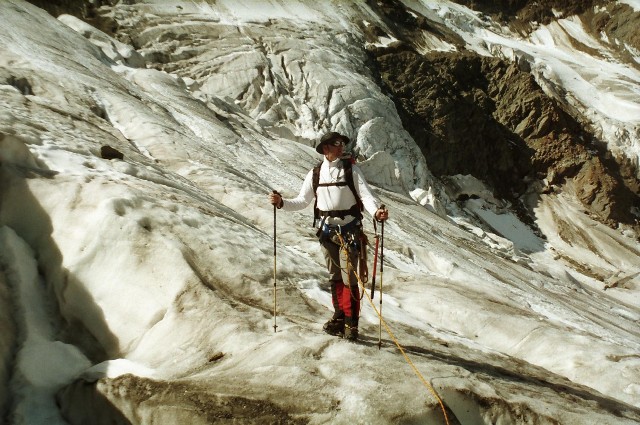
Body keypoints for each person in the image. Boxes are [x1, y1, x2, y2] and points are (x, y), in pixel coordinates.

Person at [269, 131, 389, 341]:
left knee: (349, 278)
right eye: (336, 143)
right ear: (325, 148)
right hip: (327, 233)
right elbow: (302, 201)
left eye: (342, 143)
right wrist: (281, 203)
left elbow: (366, 197)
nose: (341, 147)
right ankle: (339, 317)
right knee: (336, 277)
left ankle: (352, 324)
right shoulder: (315, 174)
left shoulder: (351, 170)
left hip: (349, 232)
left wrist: (377, 212)